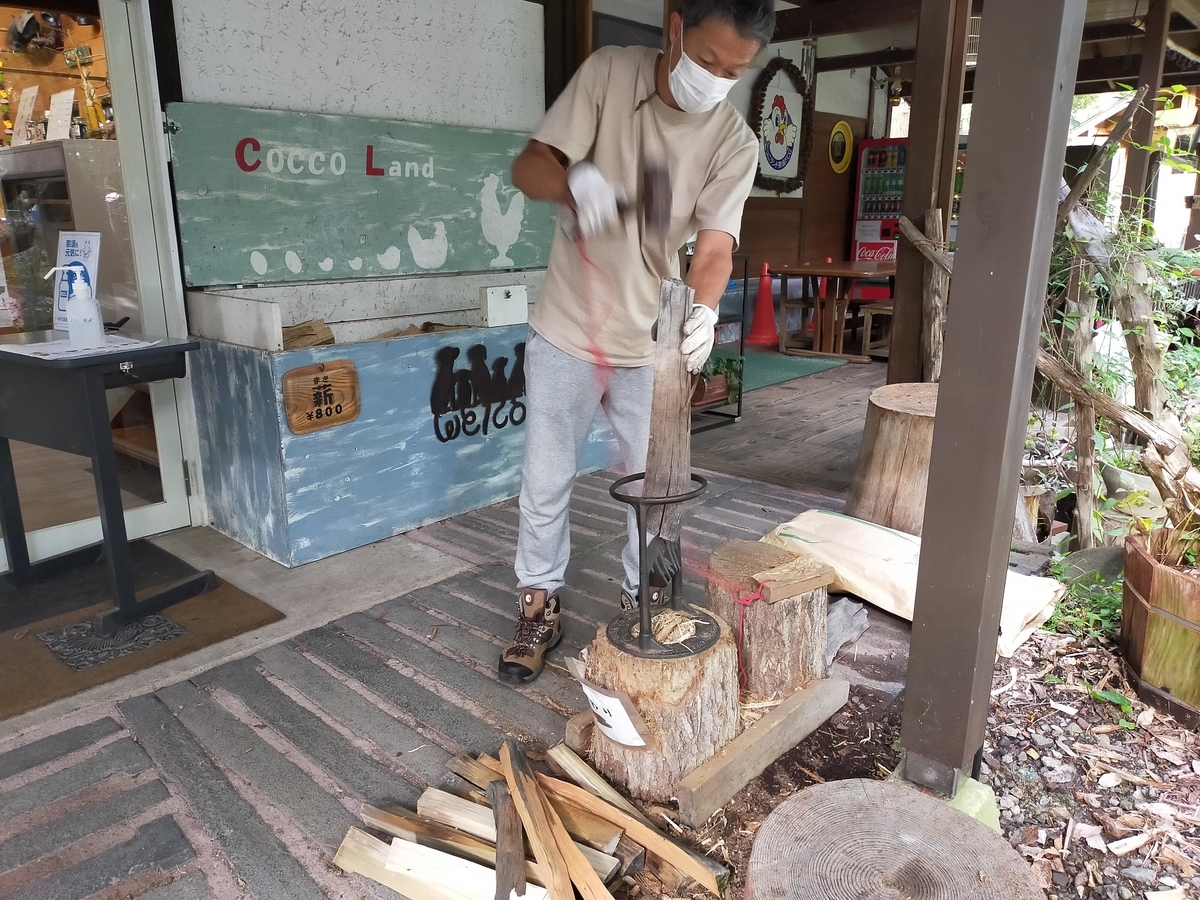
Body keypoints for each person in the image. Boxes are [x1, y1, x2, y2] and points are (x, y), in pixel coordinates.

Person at [499, 0, 774, 683]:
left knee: (658, 486)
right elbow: (527, 167)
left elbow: (713, 248)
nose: (717, 79)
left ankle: (643, 598)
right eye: (708, 60)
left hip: (650, 337)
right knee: (545, 477)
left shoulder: (733, 142)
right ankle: (538, 601)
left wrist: (704, 312)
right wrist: (575, 184)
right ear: (675, 25)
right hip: (566, 325)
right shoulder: (608, 75)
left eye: (735, 70)